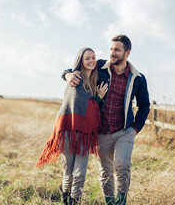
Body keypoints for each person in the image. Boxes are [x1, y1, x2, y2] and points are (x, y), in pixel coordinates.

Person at [63, 35, 150, 205]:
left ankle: (120, 202)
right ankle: (110, 202)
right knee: (105, 171)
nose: (112, 53)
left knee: (122, 166)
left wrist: (135, 128)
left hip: (124, 131)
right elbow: (79, 65)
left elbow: (144, 105)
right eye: (111, 49)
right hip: (102, 130)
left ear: (127, 53)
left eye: (117, 50)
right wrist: (67, 74)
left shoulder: (138, 78)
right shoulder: (101, 68)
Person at [37, 47, 108, 205]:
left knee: (79, 173)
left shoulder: (93, 81)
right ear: (80, 61)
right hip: (68, 130)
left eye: (93, 58)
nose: (91, 61)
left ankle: (74, 201)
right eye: (87, 58)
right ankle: (65, 199)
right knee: (68, 172)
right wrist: (98, 98)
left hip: (84, 133)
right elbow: (82, 104)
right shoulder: (76, 77)